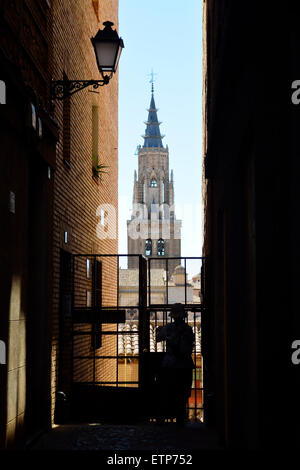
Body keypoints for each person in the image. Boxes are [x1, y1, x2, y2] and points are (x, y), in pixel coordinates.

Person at [156, 303, 195, 425]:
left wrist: (164, 333)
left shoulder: (169, 328)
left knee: (169, 392)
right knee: (182, 394)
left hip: (171, 365)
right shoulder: (188, 329)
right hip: (184, 365)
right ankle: (180, 418)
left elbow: (158, 337)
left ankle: (166, 417)